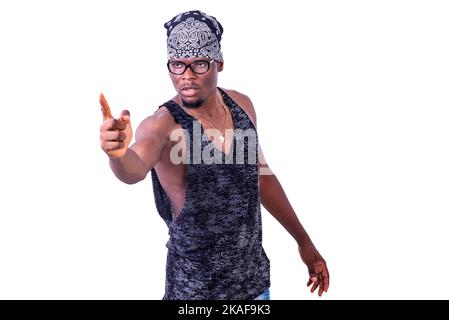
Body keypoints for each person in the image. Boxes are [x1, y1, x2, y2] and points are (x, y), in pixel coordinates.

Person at [99, 10, 329, 300]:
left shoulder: (241, 106)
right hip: (194, 295)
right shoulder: (162, 126)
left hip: (253, 287)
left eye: (199, 64)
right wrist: (117, 154)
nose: (187, 77)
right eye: (178, 65)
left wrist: (303, 241)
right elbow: (134, 168)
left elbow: (262, 177)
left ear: (218, 62)